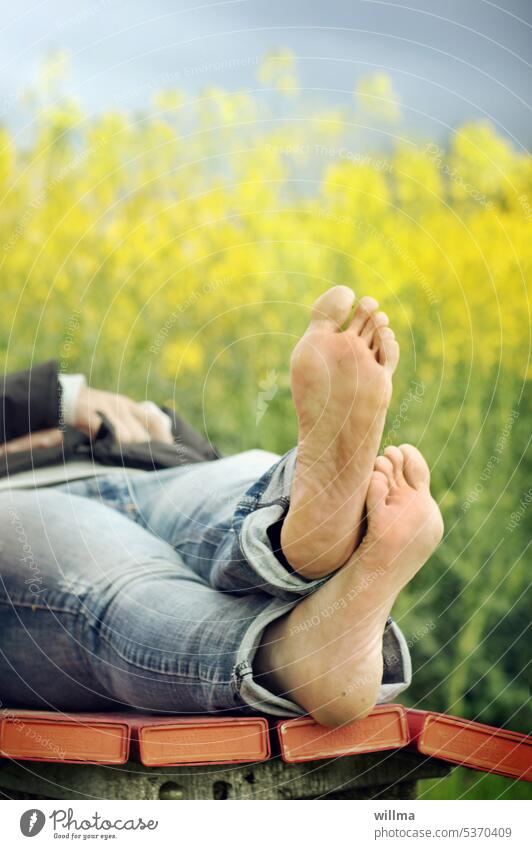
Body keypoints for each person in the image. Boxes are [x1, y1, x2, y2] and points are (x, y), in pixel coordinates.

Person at [0, 287, 443, 727]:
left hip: (155, 465)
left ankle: (299, 549)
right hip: (23, 494)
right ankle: (289, 648)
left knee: (245, 488)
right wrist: (60, 398)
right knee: (125, 588)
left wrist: (144, 422)